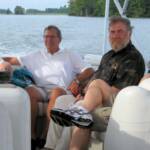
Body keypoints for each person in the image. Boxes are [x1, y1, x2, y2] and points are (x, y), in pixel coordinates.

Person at [44, 16, 145, 150]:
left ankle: (77, 115)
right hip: (93, 98)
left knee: (81, 109)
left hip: (114, 103)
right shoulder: (108, 56)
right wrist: (82, 93)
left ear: (129, 33)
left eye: (120, 31)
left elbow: (118, 91)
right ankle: (49, 146)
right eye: (112, 32)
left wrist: (86, 98)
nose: (115, 36)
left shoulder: (133, 58)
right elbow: (93, 79)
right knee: (62, 101)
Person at [2, 25, 94, 150]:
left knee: (56, 92)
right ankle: (32, 136)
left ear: (59, 39)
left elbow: (89, 70)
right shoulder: (36, 55)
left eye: (52, 36)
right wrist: (4, 64)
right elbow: (13, 60)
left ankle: (45, 136)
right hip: (41, 89)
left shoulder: (69, 55)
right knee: (29, 92)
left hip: (61, 89)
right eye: (46, 37)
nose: (48, 39)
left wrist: (77, 80)